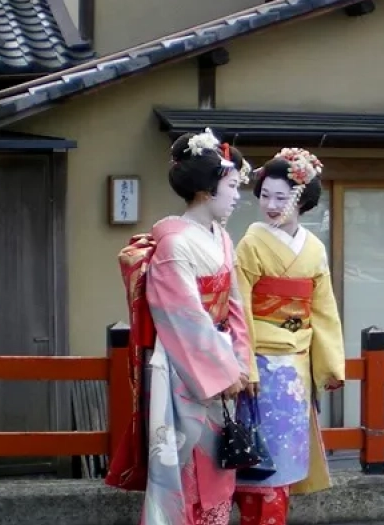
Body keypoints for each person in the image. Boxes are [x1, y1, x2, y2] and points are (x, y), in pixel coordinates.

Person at [134, 129, 254, 525]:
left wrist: (241, 361)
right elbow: (184, 318)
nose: (238, 195)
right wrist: (226, 368)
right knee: (185, 465)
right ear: (206, 189)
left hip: (220, 368)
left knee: (219, 465)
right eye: (232, 186)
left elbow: (235, 305)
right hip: (186, 371)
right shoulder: (173, 245)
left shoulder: (221, 236)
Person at [232, 148, 345, 524]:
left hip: (296, 365)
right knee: (259, 464)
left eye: (281, 197)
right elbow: (240, 308)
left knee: (285, 461)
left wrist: (329, 366)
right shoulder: (250, 244)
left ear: (301, 198)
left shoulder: (314, 249)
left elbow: (324, 310)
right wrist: (245, 366)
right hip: (261, 366)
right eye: (265, 195)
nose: (270, 204)